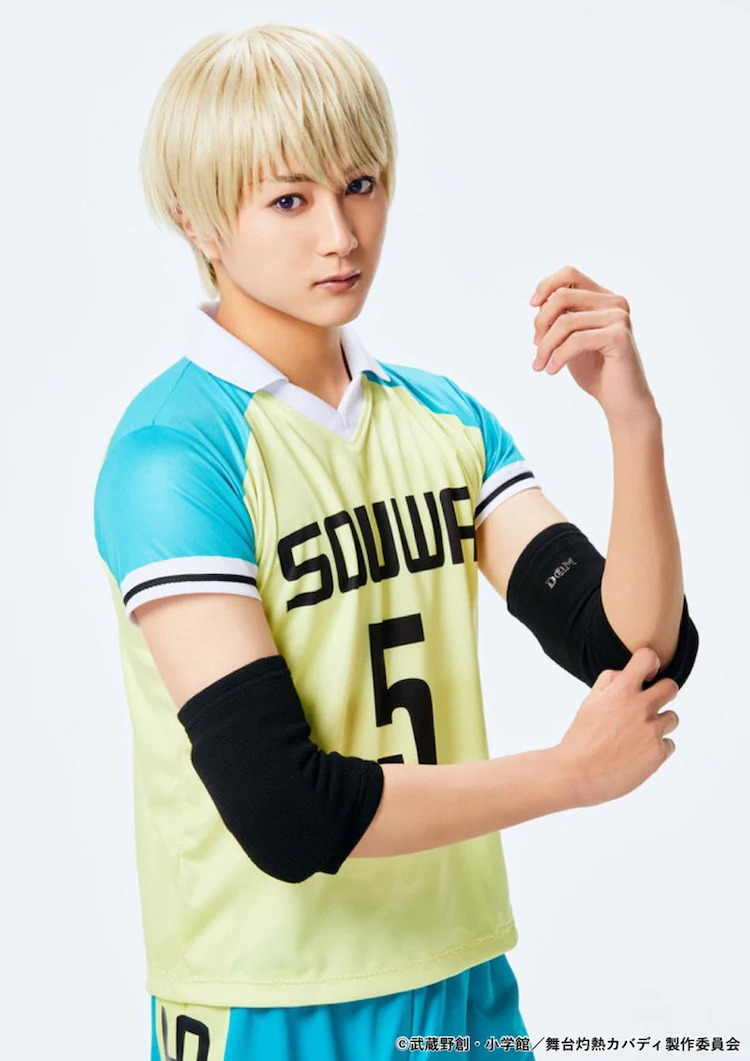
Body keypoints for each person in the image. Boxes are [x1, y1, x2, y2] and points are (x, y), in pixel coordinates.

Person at [92, 23, 699, 1061]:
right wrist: (567, 773)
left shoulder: (440, 419)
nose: (342, 234)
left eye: (360, 184)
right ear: (198, 218)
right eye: (290, 200)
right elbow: (285, 811)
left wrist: (633, 425)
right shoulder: (173, 454)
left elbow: (633, 648)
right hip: (270, 999)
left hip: (461, 979)